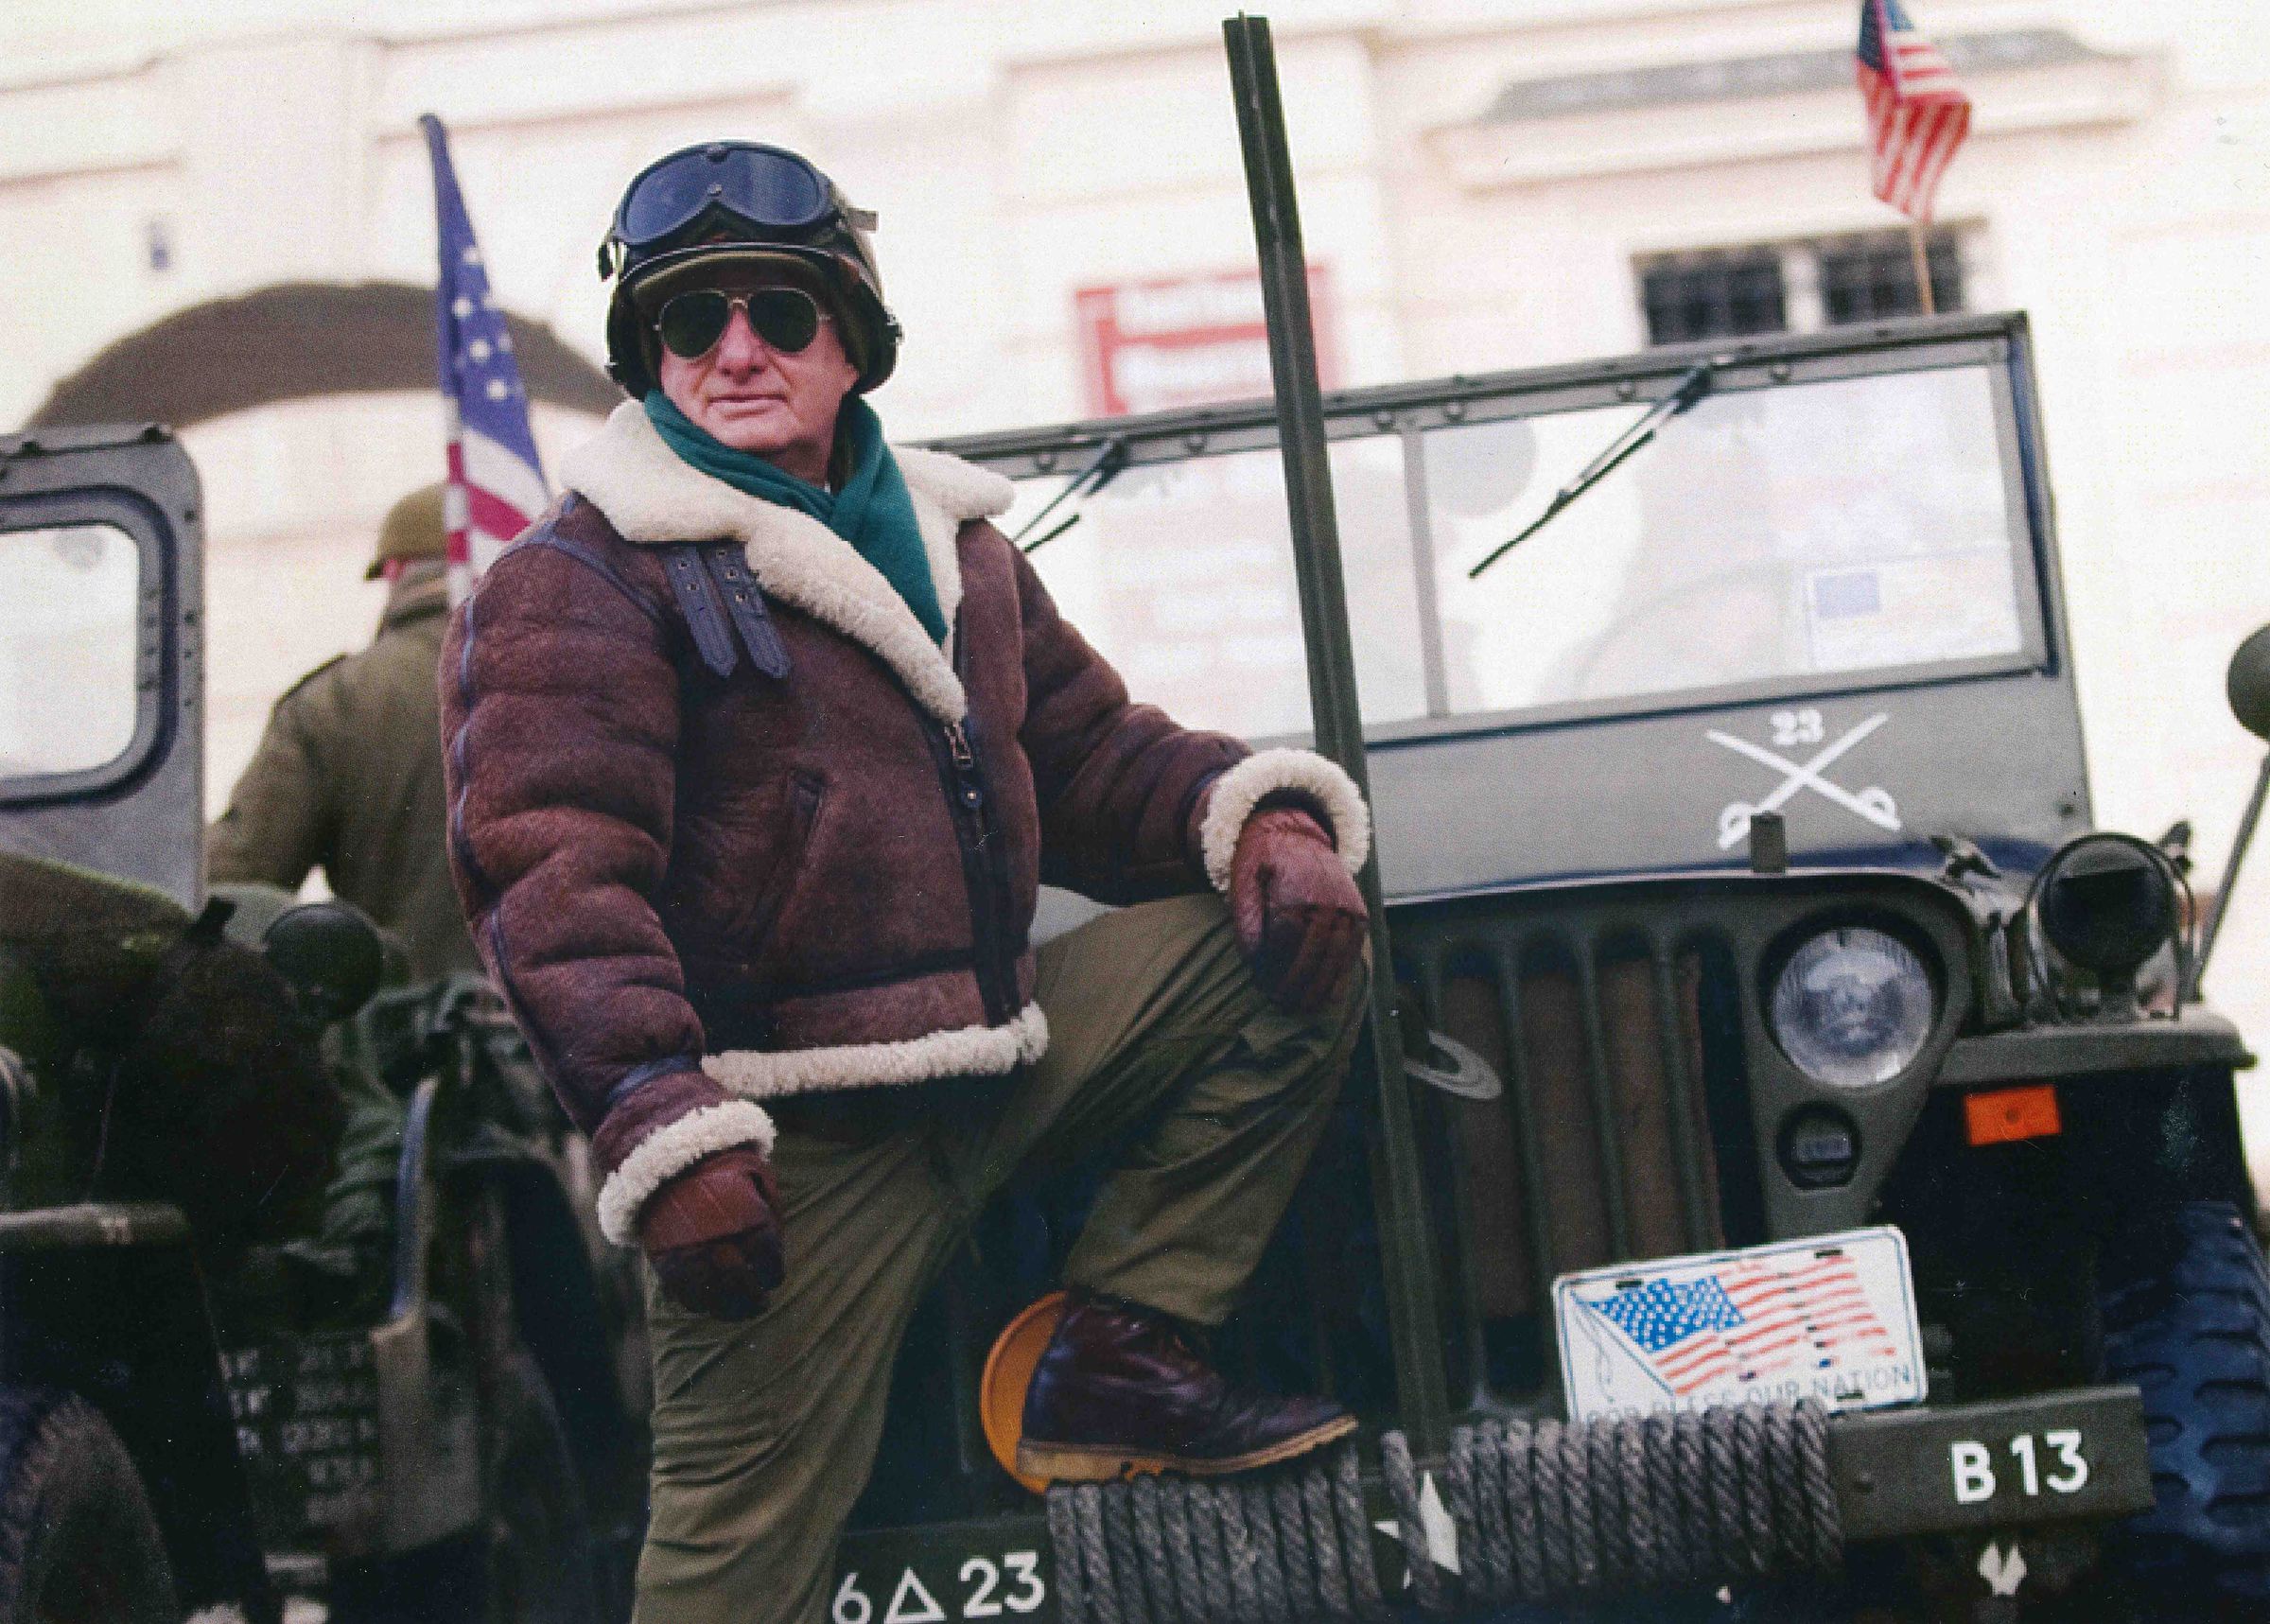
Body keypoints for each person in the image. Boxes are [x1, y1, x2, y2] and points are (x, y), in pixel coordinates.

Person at [441, 140, 1374, 1623]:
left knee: (1262, 946)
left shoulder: (960, 547)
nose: (736, 349)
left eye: (778, 311)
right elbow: (553, 870)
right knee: (733, 1567)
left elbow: (1089, 756)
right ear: (649, 356)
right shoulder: (583, 575)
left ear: (851, 342)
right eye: (689, 320)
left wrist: (1252, 815)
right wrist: (660, 1122)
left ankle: (1114, 1353)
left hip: (998, 1064)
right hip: (786, 1142)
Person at [207, 485, 480, 980]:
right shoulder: (590, 677)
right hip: (593, 1016)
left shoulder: (337, 701)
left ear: (395, 571)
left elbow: (235, 878)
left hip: (412, 1017)